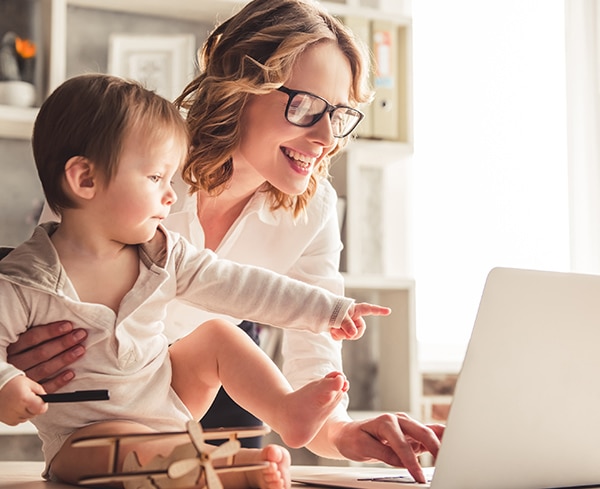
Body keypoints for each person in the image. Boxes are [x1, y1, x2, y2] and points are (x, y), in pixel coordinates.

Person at [6, 0, 444, 483]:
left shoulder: (313, 210)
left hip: (196, 400)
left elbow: (312, 362)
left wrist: (343, 432)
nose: (325, 137)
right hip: (92, 405)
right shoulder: (133, 170)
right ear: (241, 89)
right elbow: (46, 282)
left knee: (221, 337)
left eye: (338, 115)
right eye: (304, 106)